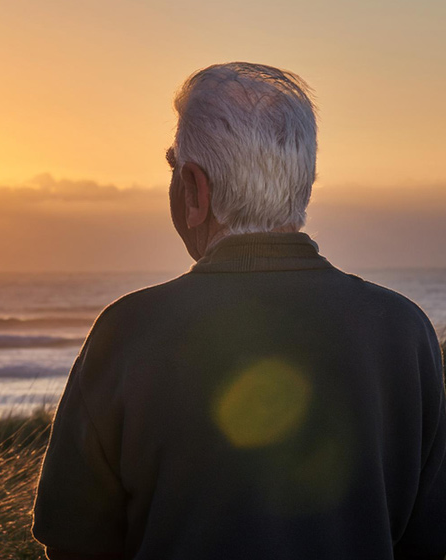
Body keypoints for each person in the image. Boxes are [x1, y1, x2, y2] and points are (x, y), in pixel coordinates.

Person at [31, 62, 446, 560]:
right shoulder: (403, 331)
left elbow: (75, 541)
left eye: (172, 168)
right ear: (304, 181)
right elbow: (430, 539)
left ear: (194, 189)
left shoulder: (127, 332)